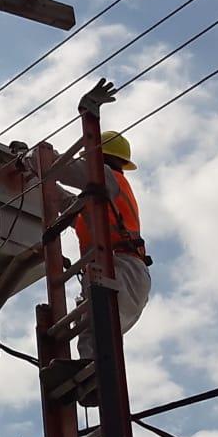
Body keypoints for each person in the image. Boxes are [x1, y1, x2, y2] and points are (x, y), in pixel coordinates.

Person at [52, 129, 152, 362]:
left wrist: (37, 158)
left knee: (97, 328)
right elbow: (69, 204)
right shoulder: (100, 201)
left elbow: (64, 169)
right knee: (91, 331)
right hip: (127, 272)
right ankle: (94, 381)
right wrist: (38, 179)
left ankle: (96, 377)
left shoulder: (106, 176)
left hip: (119, 267)